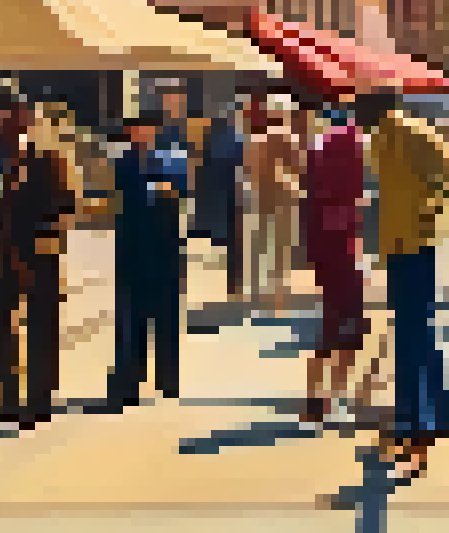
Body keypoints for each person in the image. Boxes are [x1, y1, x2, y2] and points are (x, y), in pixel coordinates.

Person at [362, 89, 449, 481]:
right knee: (420, 333)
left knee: (409, 338)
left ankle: (411, 427)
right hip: (412, 241)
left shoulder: (398, 134)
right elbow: (446, 176)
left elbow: (445, 177)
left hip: (409, 243)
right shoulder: (399, 134)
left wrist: (422, 214)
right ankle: (436, 417)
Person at [0, 90, 72, 427]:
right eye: (2, 116)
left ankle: (38, 401)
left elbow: (66, 205)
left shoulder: (50, 159)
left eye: (15, 116)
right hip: (2, 255)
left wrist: (46, 241)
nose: (8, 123)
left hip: (39, 257)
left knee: (41, 330)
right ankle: (7, 399)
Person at [106, 109, 189, 410]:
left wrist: (158, 191)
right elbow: (113, 195)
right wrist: (156, 190)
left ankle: (168, 379)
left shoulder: (174, 157)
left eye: (145, 128)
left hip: (165, 248)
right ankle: (130, 381)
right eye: (135, 129)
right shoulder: (121, 162)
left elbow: (181, 190)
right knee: (131, 318)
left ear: (155, 130)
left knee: (167, 315)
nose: (140, 133)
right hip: (131, 247)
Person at [300, 99, 370, 428]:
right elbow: (357, 194)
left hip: (325, 248)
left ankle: (316, 401)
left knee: (330, 327)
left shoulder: (319, 147)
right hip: (344, 247)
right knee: (349, 329)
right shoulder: (353, 144)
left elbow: (309, 200)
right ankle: (336, 398)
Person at [245, 93, 305, 313]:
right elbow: (299, 168)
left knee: (262, 246)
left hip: (260, 197)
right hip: (283, 198)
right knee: (281, 249)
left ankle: (259, 293)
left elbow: (249, 171)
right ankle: (279, 296)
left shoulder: (256, 140)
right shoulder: (287, 138)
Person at [195, 95, 247, 301]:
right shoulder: (236, 139)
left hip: (222, 199)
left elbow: (204, 173)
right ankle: (235, 285)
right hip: (233, 198)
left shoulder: (213, 140)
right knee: (237, 245)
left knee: (232, 245)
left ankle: (234, 285)